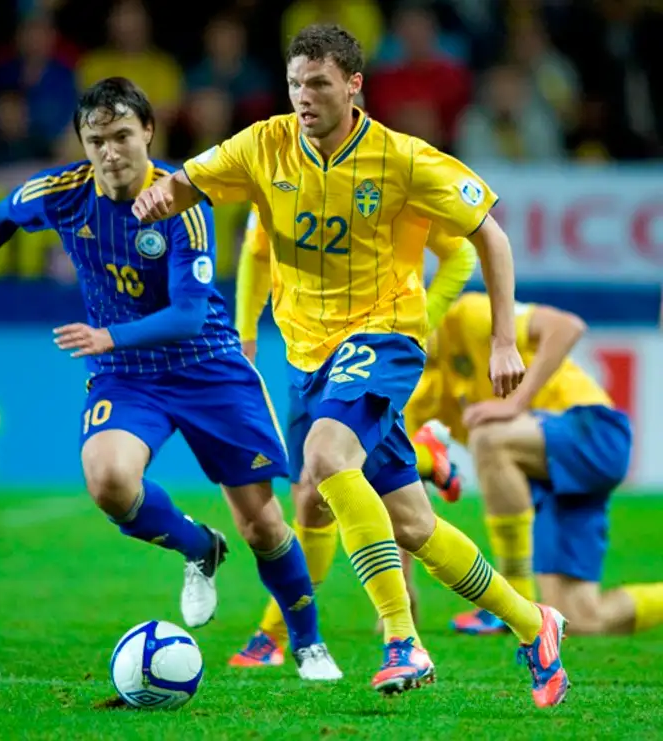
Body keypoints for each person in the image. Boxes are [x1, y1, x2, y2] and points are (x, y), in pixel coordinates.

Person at [131, 25, 568, 707]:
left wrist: (504, 339)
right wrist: (160, 196)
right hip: (308, 355)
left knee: (326, 457)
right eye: (295, 84)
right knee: (411, 523)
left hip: (384, 335)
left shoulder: (402, 158)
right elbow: (188, 183)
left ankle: (402, 638)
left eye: (318, 84)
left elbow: (489, 235)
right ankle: (534, 623)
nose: (303, 97)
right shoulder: (264, 144)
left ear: (354, 85)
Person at [0, 76, 340, 681]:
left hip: (207, 367)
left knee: (262, 524)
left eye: (123, 136)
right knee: (108, 480)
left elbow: (187, 314)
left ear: (148, 133)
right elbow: (3, 214)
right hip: (127, 376)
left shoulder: (182, 201)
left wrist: (109, 335)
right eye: (97, 140)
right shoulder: (63, 193)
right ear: (82, 143)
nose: (110, 152)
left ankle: (309, 644)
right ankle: (198, 547)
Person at [228, 202, 466, 667]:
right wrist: (246, 331)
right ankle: (425, 457)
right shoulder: (271, 175)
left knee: (349, 489)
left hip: (371, 353)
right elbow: (255, 253)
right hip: (307, 358)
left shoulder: (386, 178)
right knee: (310, 499)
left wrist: (423, 320)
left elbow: (462, 253)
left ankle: (282, 633)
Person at [406, 292, 663, 638]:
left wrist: (516, 404)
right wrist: (403, 591)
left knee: (489, 438)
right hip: (550, 477)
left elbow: (567, 327)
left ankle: (514, 599)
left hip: (593, 431)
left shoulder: (470, 314)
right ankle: (524, 606)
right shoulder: (418, 392)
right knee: (581, 619)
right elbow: (404, 488)